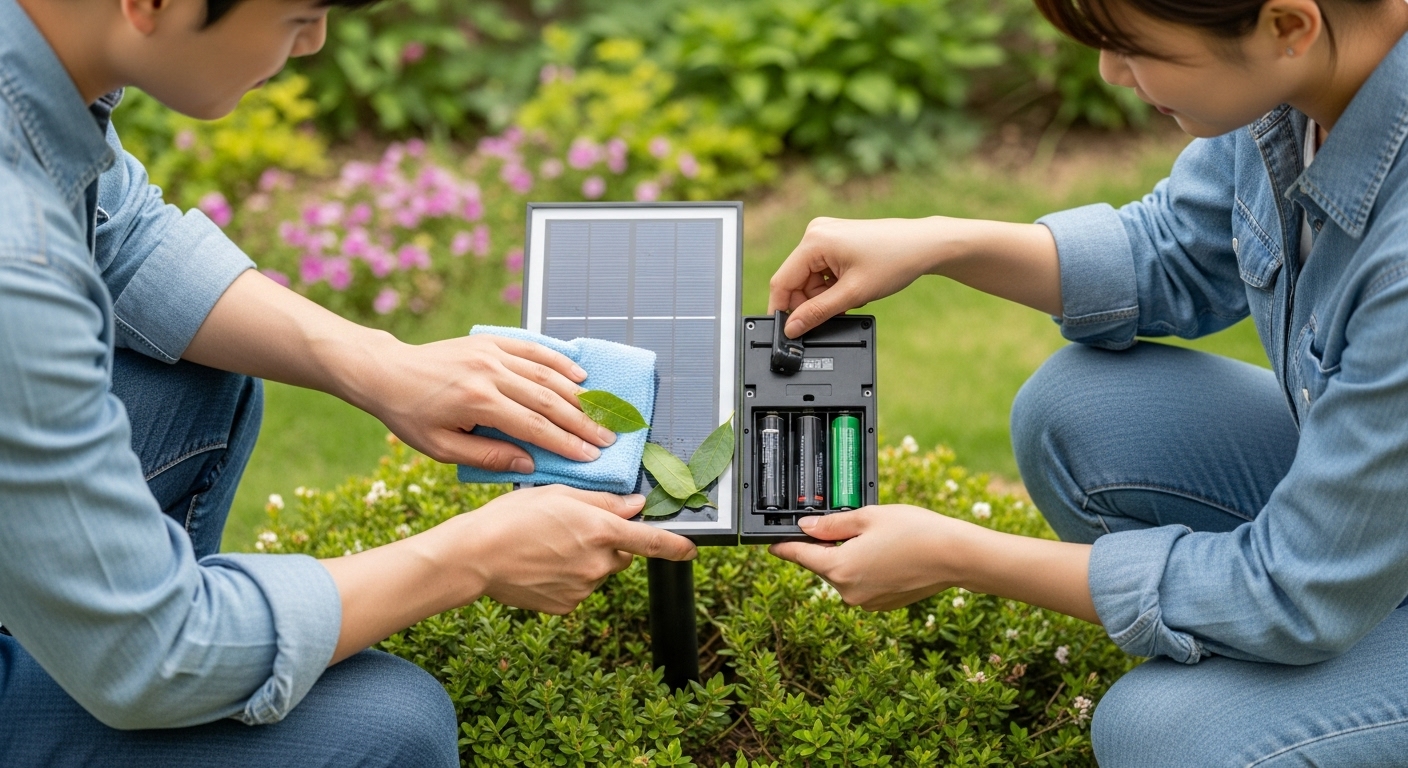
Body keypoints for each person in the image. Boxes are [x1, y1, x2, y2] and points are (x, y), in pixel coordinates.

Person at [0, 0, 697, 764]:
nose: (316, 41)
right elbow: (155, 650)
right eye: (302, 13)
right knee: (388, 728)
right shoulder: (18, 264)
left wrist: (379, 363)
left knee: (195, 373)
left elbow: (119, 233)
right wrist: (474, 558)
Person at [767, 0, 1408, 763]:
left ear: (1286, 25)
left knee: (1163, 732)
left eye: (1135, 47)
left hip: (1326, 571)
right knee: (1076, 410)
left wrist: (960, 556)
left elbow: (1293, 590)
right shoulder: (1301, 86)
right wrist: (937, 243)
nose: (1111, 73)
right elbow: (1172, 251)